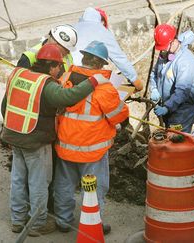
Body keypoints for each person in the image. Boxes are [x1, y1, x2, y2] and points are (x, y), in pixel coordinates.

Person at [1, 44, 110, 236]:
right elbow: (68, 97)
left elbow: (5, 104)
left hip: (14, 135)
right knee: (39, 183)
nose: (61, 70)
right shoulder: (46, 84)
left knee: (18, 180)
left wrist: (10, 130)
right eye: (58, 66)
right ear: (51, 65)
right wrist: (93, 81)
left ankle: (17, 220)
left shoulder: (19, 74)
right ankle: (37, 224)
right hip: (35, 139)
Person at [53, 41, 129, 235]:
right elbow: (119, 116)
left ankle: (62, 221)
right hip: (92, 150)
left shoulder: (66, 76)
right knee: (95, 189)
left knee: (64, 185)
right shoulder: (104, 87)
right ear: (101, 65)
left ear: (84, 58)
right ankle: (94, 223)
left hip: (65, 146)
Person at [72, 7, 143, 92]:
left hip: (69, 74)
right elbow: (120, 59)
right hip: (86, 76)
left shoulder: (73, 27)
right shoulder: (102, 31)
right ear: (101, 21)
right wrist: (136, 81)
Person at [149, 24, 194, 133]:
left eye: (165, 47)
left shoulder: (185, 62)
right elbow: (155, 73)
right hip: (168, 106)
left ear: (174, 41)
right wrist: (154, 88)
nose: (163, 50)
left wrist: (167, 107)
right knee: (168, 134)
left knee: (177, 139)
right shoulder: (166, 53)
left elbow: (182, 91)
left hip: (182, 111)